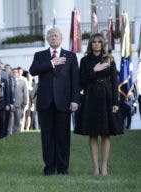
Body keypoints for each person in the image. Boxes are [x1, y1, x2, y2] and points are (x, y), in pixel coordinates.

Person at [29, 28, 80, 175]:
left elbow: (75, 81)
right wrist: (52, 63)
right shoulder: (40, 55)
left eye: (56, 35)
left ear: (61, 38)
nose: (53, 37)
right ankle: (49, 168)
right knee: (47, 137)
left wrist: (75, 100)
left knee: (63, 137)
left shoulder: (70, 56)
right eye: (51, 35)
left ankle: (63, 168)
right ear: (46, 38)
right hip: (45, 103)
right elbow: (33, 71)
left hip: (63, 103)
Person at [74, 33, 123, 176]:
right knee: (93, 133)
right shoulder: (84, 61)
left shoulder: (110, 59)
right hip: (91, 97)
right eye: (94, 41)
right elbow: (81, 81)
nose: (96, 44)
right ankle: (95, 168)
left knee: (106, 134)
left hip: (107, 98)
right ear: (90, 44)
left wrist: (115, 102)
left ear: (102, 44)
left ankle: (104, 167)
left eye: (99, 42)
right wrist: (94, 70)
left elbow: (114, 82)